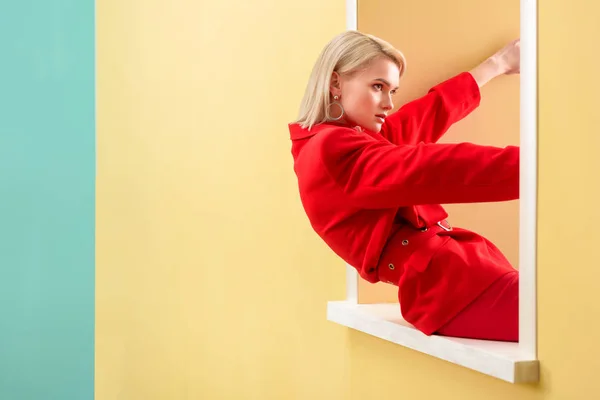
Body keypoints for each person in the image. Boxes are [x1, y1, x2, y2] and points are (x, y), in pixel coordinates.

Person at [288, 30, 521, 342]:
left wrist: (498, 63)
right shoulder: (332, 152)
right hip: (456, 292)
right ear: (335, 83)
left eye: (392, 91)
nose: (388, 104)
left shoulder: (354, 141)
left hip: (465, 280)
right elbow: (432, 169)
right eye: (377, 87)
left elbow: (428, 114)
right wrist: (541, 168)